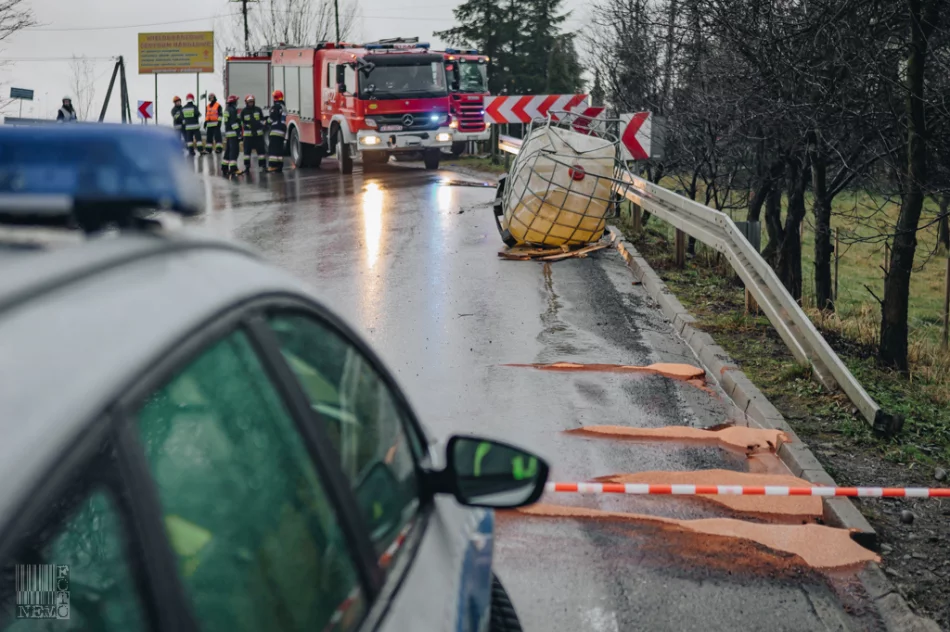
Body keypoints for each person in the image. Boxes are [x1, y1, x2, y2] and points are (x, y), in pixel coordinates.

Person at [239, 94, 266, 173]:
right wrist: (245, 126)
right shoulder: (243, 111)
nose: (251, 103)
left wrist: (261, 125)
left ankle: (262, 166)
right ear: (246, 102)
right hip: (248, 136)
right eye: (249, 101)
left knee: (261, 152)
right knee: (247, 153)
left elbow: (262, 119)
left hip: (258, 135)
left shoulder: (258, 109)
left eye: (252, 101)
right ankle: (247, 167)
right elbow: (241, 122)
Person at [266, 90, 287, 173]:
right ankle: (279, 166)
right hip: (282, 130)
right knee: (279, 148)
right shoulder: (283, 106)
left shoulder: (275, 107)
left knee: (273, 148)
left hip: (275, 129)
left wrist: (265, 123)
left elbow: (272, 118)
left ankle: (273, 165)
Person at [222, 95, 242, 177]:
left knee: (228, 151)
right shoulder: (232, 110)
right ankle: (233, 169)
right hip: (233, 133)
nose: (237, 102)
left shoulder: (227, 109)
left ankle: (224, 167)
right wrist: (239, 133)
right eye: (236, 101)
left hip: (228, 133)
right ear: (233, 102)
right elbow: (234, 123)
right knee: (234, 151)